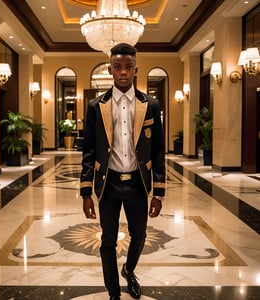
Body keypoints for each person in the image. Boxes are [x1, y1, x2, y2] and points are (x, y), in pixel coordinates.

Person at [80, 43, 165, 300]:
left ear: (135, 69)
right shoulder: (97, 106)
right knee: (108, 240)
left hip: (138, 183)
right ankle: (114, 293)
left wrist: (158, 191)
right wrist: (86, 192)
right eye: (117, 67)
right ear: (110, 70)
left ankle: (129, 269)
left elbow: (159, 150)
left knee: (139, 235)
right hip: (109, 184)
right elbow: (89, 151)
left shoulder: (150, 104)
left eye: (128, 67)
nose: (123, 72)